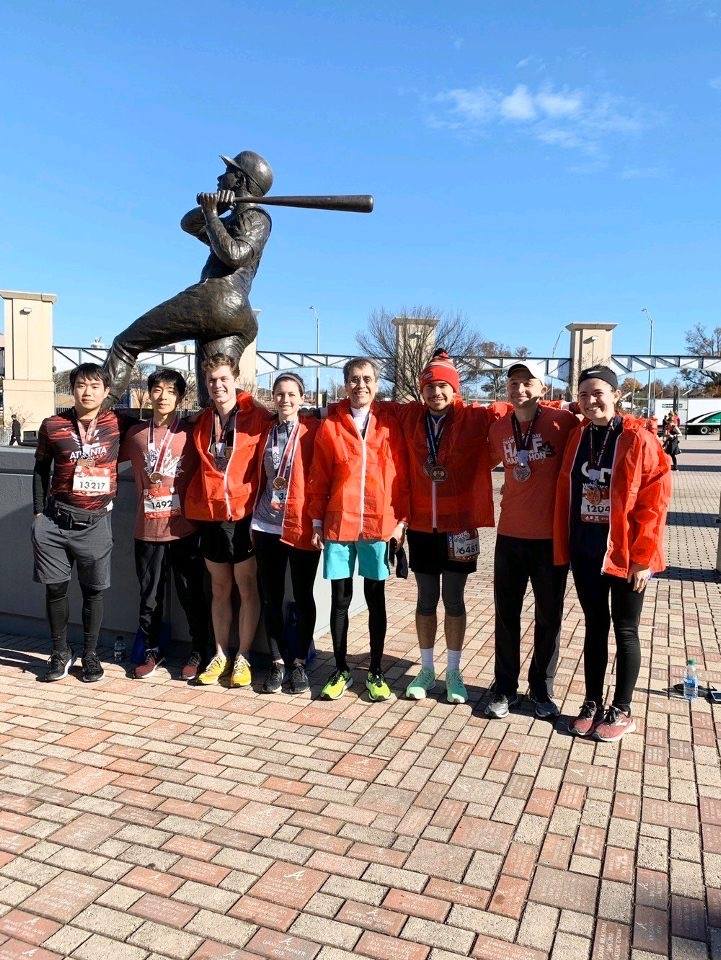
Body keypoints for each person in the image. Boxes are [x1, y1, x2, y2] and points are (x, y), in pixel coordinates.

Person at [554, 366, 672, 742]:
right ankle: (592, 702)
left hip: (624, 554)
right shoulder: (577, 436)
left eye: (599, 393)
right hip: (586, 549)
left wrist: (642, 558)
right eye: (584, 394)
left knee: (625, 630)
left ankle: (622, 708)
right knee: (594, 627)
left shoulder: (639, 438)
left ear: (617, 394)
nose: (591, 401)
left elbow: (654, 503)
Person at [104, 151, 273, 404]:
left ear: (239, 180)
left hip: (217, 299)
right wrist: (216, 210)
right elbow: (189, 225)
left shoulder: (257, 217)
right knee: (212, 398)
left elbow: (234, 255)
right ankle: (222, 440)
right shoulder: (234, 219)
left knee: (124, 345)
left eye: (228, 172)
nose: (219, 177)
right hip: (232, 313)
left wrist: (213, 214)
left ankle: (98, 419)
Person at [392, 352, 503, 704]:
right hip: (423, 525)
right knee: (426, 599)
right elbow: (374, 409)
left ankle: (454, 672)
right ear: (422, 391)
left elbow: (516, 407)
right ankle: (426, 670)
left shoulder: (475, 417)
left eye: (443, 386)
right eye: (430, 387)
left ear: (454, 389)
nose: (436, 393)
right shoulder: (411, 416)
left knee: (453, 599)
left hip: (460, 527)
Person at [308, 357, 408, 702]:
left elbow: (402, 476)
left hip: (378, 525)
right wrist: (317, 521)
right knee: (340, 600)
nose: (360, 385)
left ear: (377, 384)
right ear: (344, 384)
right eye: (353, 379)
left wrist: (401, 522)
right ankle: (340, 670)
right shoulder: (331, 426)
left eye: (366, 379)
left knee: (375, 599)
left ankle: (376, 671)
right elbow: (319, 476)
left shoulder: (391, 423)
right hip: (339, 524)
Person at [484, 361, 578, 719]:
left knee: (549, 616)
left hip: (550, 539)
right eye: (513, 382)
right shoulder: (497, 429)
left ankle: (541, 689)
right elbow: (478, 463)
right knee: (506, 616)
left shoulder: (564, 424)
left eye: (527, 382)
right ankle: (504, 687)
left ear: (541, 387)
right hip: (509, 535)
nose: (519, 389)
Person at [32, 363, 130, 683]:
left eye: (94, 386)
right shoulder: (53, 425)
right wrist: (37, 515)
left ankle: (89, 654)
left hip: (95, 523)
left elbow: (160, 427)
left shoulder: (119, 423)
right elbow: (40, 470)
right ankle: (60, 651)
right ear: (71, 389)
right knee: (56, 589)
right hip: (55, 522)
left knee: (93, 591)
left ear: (105, 391)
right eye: (80, 386)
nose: (86, 392)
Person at [184, 353, 272, 686]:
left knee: (246, 587)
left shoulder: (257, 417)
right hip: (211, 516)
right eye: (211, 381)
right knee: (220, 588)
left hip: (244, 515)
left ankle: (244, 656)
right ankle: (220, 654)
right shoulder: (204, 421)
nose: (218, 386)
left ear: (235, 379)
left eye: (223, 379)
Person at [119, 369, 209, 681]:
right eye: (157, 389)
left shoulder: (192, 432)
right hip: (146, 529)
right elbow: (99, 456)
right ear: (148, 393)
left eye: (170, 391)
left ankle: (200, 650)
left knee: (192, 594)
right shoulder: (134, 435)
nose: (162, 396)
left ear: (180, 397)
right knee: (149, 595)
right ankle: (151, 650)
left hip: (183, 528)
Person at [251, 374, 320, 694]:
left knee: (304, 595)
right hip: (266, 523)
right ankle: (278, 662)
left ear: (302, 397)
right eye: (279, 394)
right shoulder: (265, 432)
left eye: (292, 394)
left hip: (302, 524)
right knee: (271, 595)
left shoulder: (313, 431)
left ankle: (300, 663)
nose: (285, 400)